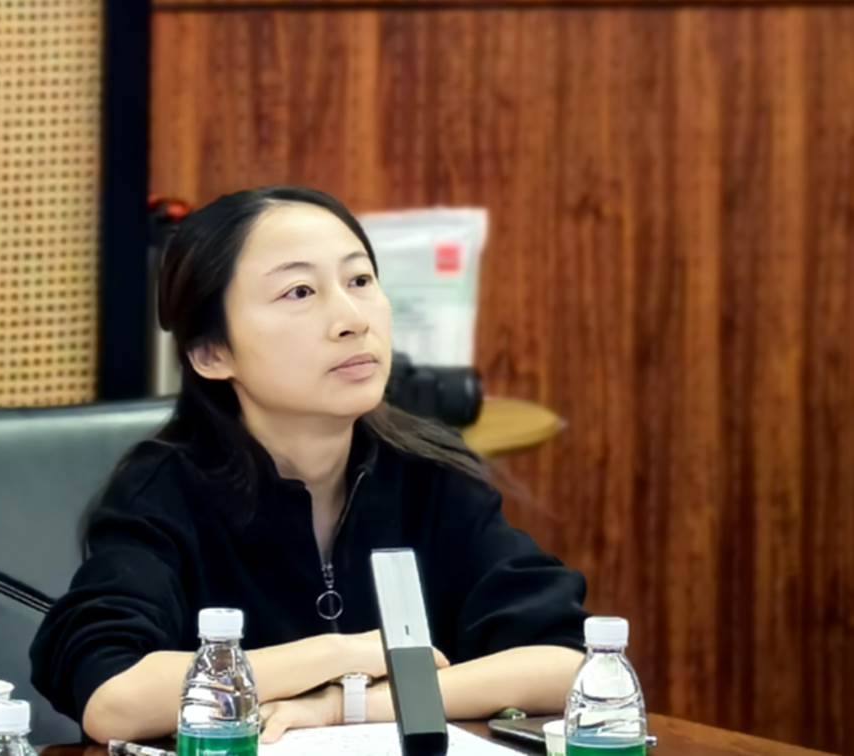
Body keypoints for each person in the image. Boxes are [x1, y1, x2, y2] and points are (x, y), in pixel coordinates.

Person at [30, 185, 588, 744]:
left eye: (360, 281)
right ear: (212, 353)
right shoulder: (163, 492)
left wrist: (349, 704)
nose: (351, 320)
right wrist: (339, 654)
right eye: (299, 292)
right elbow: (113, 698)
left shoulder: (429, 475)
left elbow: (567, 663)